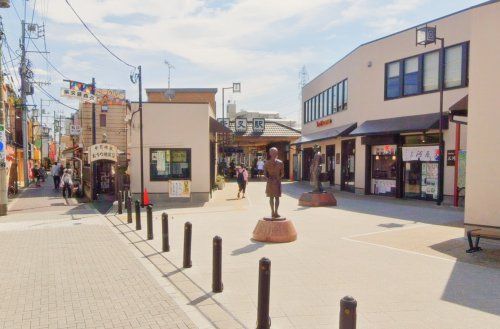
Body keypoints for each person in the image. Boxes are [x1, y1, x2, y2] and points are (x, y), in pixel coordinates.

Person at [264, 147, 284, 218]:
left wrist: (269, 179)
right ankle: (275, 212)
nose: (274, 154)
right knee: (276, 198)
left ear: (269, 154)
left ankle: (273, 212)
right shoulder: (280, 162)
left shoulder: (266, 163)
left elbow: (265, 175)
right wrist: (277, 178)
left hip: (270, 182)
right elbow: (282, 174)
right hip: (277, 181)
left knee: (271, 198)